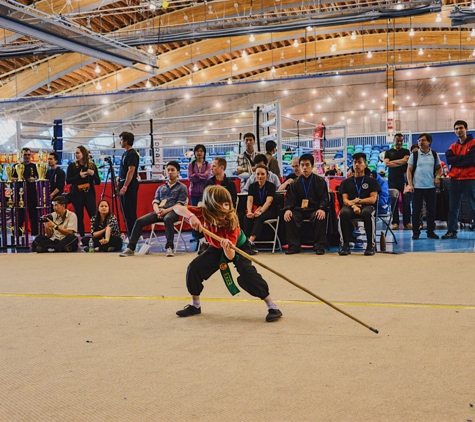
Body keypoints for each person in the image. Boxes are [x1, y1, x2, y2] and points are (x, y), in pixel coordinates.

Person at [173, 185, 282, 322]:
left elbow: (230, 256)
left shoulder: (231, 220)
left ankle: (272, 306)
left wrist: (227, 247)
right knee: (194, 268)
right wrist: (191, 216)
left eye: (227, 203)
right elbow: (177, 208)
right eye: (221, 204)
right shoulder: (203, 212)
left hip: (237, 246)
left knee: (247, 272)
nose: (226, 207)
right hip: (215, 247)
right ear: (211, 205)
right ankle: (195, 305)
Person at [120, 161, 188, 257]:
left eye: (172, 170)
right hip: (159, 212)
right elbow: (155, 202)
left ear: (178, 172)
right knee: (139, 221)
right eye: (168, 170)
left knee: (167, 218)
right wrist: (158, 211)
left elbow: (179, 204)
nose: (170, 172)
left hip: (173, 212)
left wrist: (165, 211)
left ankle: (169, 247)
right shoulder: (161, 188)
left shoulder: (182, 187)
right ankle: (131, 248)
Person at [283, 153, 329, 255]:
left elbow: (324, 198)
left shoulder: (320, 181)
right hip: (299, 210)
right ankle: (294, 246)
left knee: (320, 216)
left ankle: (319, 246)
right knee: (289, 216)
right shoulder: (295, 183)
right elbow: (289, 199)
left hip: (314, 209)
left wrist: (322, 208)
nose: (304, 167)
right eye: (302, 165)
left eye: (307, 165)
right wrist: (288, 209)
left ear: (312, 166)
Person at [338, 153, 380, 256]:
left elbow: (373, 199)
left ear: (365, 165)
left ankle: (370, 244)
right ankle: (345, 245)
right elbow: (345, 200)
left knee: (367, 213)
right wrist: (353, 205)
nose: (357, 165)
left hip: (366, 206)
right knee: (343, 213)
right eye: (355, 162)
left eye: (360, 162)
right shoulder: (346, 182)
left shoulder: (372, 181)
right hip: (351, 207)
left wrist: (358, 201)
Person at [442, 120, 475, 239]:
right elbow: (450, 159)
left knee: (473, 206)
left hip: (470, 179)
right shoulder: (453, 146)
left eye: (461, 128)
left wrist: (458, 161)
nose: (458, 130)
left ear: (466, 129)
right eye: (456, 128)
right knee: (453, 207)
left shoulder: (473, 144)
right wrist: (463, 160)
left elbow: (472, 160)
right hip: (455, 180)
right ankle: (452, 231)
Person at [406, 133, 441, 240]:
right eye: (419, 140)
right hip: (417, 188)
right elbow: (409, 170)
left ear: (429, 142)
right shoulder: (414, 155)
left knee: (431, 211)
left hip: (430, 187)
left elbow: (439, 168)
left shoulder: (434, 155)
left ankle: (430, 232)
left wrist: (437, 177)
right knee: (416, 211)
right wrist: (410, 184)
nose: (420, 142)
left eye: (423, 140)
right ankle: (416, 232)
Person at [66, 146, 101, 237]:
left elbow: (98, 182)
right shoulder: (72, 165)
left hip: (89, 193)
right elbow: (68, 180)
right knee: (79, 216)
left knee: (93, 215)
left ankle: (96, 234)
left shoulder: (92, 165)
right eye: (75, 153)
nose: (76, 155)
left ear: (83, 154)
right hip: (76, 193)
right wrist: (79, 176)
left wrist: (93, 174)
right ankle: (81, 236)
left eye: (78, 153)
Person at [243, 165, 277, 255]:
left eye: (262, 174)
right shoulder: (252, 186)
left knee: (260, 218)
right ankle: (245, 241)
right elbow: (250, 200)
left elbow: (269, 201)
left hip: (269, 210)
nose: (260, 176)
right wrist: (250, 211)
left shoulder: (271, 186)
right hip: (256, 209)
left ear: (267, 175)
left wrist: (260, 211)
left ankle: (250, 242)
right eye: (258, 174)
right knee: (247, 217)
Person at [384, 133, 412, 230]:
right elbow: (387, 164)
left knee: (406, 202)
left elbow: (406, 161)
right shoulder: (388, 152)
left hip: (404, 180)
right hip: (392, 180)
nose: (399, 142)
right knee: (394, 202)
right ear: (394, 140)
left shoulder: (406, 151)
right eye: (397, 140)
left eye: (401, 140)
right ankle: (395, 222)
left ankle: (407, 222)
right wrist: (400, 162)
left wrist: (394, 162)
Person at [12, 147, 39, 236]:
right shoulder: (16, 166)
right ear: (21, 155)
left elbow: (39, 178)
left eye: (28, 155)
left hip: (31, 192)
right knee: (20, 213)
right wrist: (19, 178)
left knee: (33, 213)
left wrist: (34, 179)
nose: (27, 156)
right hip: (20, 192)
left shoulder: (34, 166)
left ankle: (35, 233)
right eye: (25, 155)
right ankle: (19, 234)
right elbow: (11, 178)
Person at [118, 132, 139, 238]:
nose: (119, 142)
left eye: (121, 140)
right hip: (122, 181)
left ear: (126, 141)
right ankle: (130, 233)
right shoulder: (125, 153)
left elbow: (131, 171)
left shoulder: (132, 154)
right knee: (125, 211)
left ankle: (133, 235)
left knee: (130, 211)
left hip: (129, 185)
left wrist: (125, 186)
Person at [188, 144, 211, 240]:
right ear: (194, 153)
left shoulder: (208, 164)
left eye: (201, 151)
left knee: (204, 213)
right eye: (197, 151)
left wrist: (196, 175)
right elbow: (190, 178)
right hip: (194, 192)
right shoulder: (191, 164)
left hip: (204, 192)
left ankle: (204, 234)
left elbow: (207, 176)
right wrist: (200, 175)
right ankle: (195, 234)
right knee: (194, 213)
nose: (199, 153)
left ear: (204, 153)